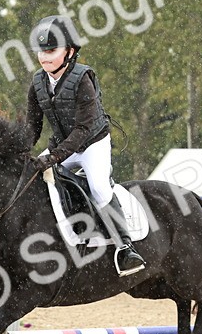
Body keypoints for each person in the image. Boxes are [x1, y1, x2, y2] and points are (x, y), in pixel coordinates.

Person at [25, 14, 146, 277]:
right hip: (62, 144)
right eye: (40, 52)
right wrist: (19, 152)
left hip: (92, 144)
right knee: (31, 179)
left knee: (100, 189)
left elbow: (82, 129)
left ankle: (126, 248)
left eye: (51, 51)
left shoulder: (82, 78)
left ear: (69, 51)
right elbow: (32, 127)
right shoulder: (38, 82)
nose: (44, 57)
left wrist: (54, 157)